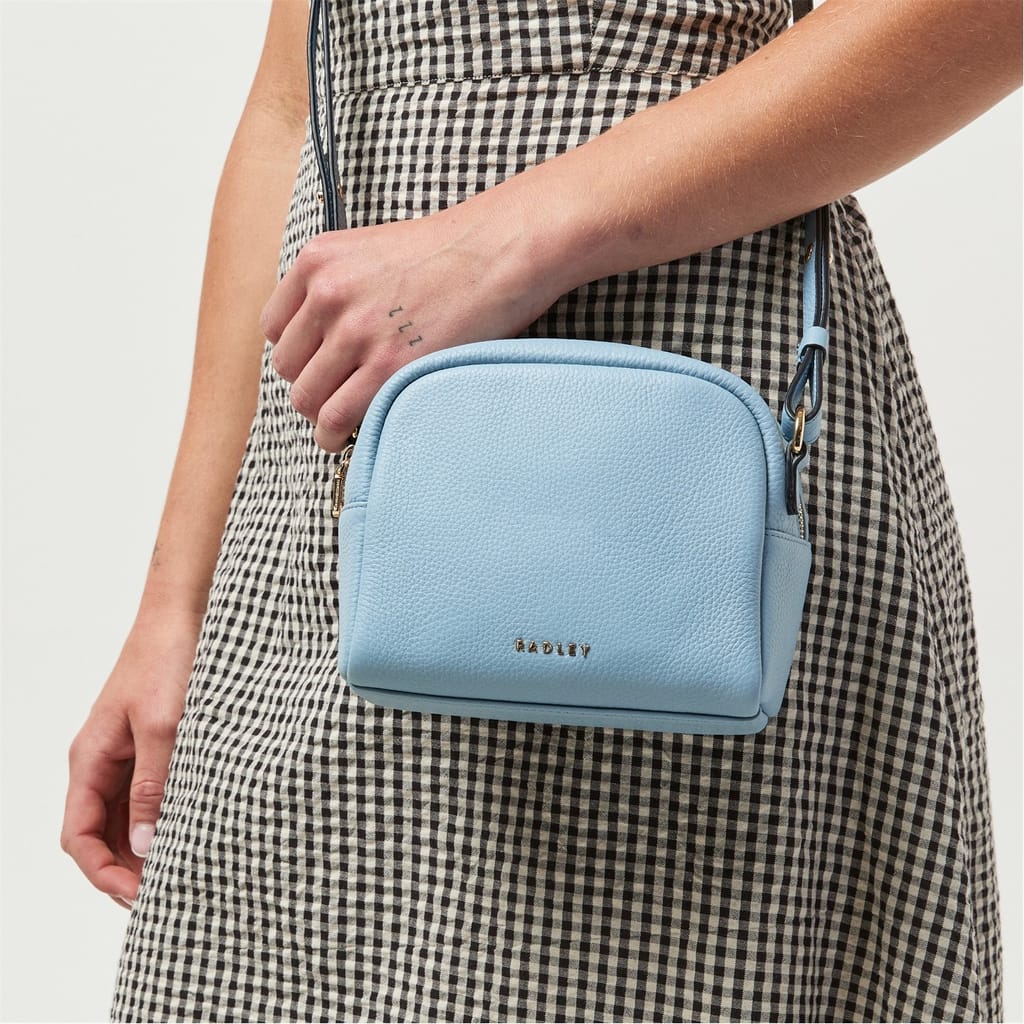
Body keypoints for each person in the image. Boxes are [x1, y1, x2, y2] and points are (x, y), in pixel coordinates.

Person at [61, 0, 1020, 1020]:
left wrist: (498, 245)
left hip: (671, 418)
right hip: (328, 455)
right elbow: (293, 105)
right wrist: (176, 605)